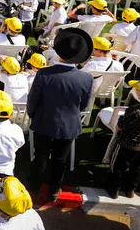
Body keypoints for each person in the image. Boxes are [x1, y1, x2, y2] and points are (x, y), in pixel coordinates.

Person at [28, 28, 94, 201]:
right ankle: (54, 189)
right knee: (60, 159)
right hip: (69, 124)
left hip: (44, 121)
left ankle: (35, 187)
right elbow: (83, 104)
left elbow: (33, 100)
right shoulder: (86, 78)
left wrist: (34, 116)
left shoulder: (44, 73)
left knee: (41, 156)